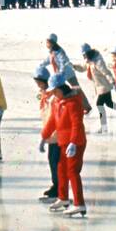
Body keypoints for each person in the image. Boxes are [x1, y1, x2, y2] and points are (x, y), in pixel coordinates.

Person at [40, 73, 88, 216]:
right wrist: (44, 137)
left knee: (72, 172)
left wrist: (73, 142)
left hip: (76, 142)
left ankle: (79, 204)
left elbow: (76, 124)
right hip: (63, 142)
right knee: (61, 169)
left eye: (55, 91)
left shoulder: (73, 103)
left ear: (62, 88)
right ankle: (63, 198)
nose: (54, 94)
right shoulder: (57, 102)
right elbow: (52, 121)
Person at [33, 64, 59, 201]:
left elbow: (53, 116)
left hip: (56, 134)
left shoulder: (51, 95)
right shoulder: (45, 94)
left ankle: (59, 188)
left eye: (38, 82)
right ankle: (56, 185)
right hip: (50, 133)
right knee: (52, 160)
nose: (37, 85)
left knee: (55, 161)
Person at [80, 43, 116, 134]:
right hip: (99, 87)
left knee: (99, 104)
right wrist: (73, 66)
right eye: (83, 55)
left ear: (89, 52)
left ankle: (104, 127)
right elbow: (82, 68)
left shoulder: (98, 61)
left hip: (104, 86)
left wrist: (112, 81)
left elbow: (106, 72)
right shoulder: (88, 60)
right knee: (109, 104)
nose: (84, 56)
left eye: (85, 54)